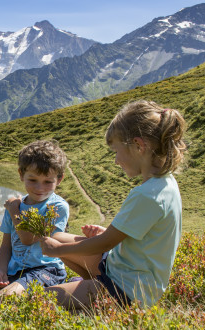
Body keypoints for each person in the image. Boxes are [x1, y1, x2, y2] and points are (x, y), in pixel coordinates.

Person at [39, 100, 187, 309]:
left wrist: (56, 251)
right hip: (129, 271)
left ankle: (96, 295)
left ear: (138, 146)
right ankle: (87, 288)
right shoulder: (165, 183)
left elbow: (105, 243)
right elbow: (132, 235)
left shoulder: (146, 195)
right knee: (57, 237)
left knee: (38, 299)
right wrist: (108, 234)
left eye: (117, 151)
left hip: (126, 290)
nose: (116, 160)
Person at [0, 140, 70, 300]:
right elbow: (6, 245)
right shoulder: (16, 205)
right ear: (21, 174)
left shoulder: (56, 207)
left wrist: (14, 211)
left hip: (45, 269)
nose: (39, 188)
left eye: (48, 182)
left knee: (7, 297)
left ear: (59, 179)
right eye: (32, 180)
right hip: (15, 269)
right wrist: (1, 270)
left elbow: (28, 239)